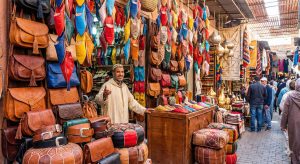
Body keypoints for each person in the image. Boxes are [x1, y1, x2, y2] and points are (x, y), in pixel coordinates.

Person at [281, 78, 300, 163]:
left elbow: (285, 112)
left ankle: (295, 160)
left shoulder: (290, 96)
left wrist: (283, 125)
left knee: (294, 142)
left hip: (293, 123)